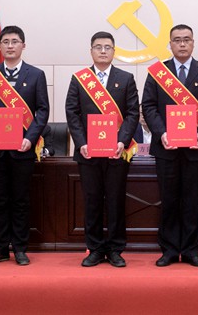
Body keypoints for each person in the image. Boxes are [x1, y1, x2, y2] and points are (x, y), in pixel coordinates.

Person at [141, 24, 198, 267]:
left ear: (193, 43)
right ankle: (168, 250)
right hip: (166, 148)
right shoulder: (158, 72)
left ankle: (190, 250)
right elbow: (149, 106)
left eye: (187, 39)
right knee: (168, 200)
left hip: (196, 148)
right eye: (177, 40)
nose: (182, 44)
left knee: (192, 200)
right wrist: (162, 133)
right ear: (170, 44)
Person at [0, 26, 49, 266]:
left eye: (14, 41)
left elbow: (42, 110)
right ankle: (0, 249)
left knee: (20, 200)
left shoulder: (36, 75)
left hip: (23, 148)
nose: (9, 46)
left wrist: (31, 137)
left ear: (23, 45)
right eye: (5, 42)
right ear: (0, 46)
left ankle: (20, 249)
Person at [65, 31, 139, 267]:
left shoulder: (126, 79)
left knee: (116, 200)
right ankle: (95, 248)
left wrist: (122, 141)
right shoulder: (80, 79)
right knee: (92, 200)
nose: (103, 51)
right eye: (98, 47)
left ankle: (116, 249)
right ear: (91, 51)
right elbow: (72, 113)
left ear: (114, 51)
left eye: (108, 47)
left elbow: (132, 113)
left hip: (117, 151)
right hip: (88, 152)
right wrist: (82, 143)